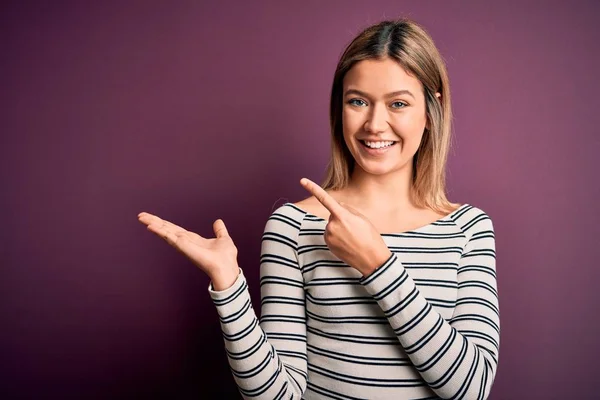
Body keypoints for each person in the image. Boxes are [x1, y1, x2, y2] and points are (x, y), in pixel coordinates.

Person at [138, 18, 499, 400]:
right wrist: (228, 285)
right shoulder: (293, 226)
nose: (375, 124)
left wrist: (377, 263)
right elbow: (276, 397)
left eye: (398, 103)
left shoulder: (468, 229)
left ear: (430, 109)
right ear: (339, 108)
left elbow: (470, 389)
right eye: (357, 101)